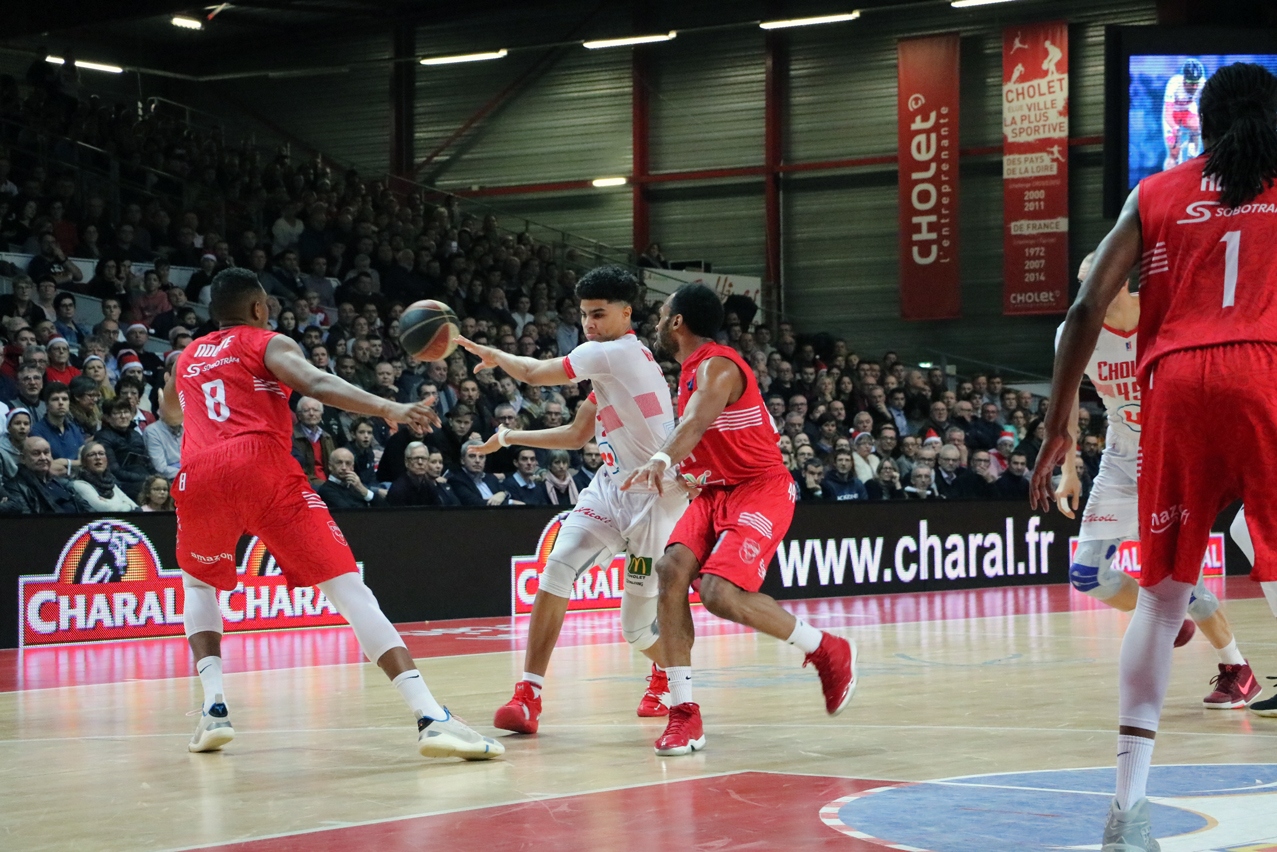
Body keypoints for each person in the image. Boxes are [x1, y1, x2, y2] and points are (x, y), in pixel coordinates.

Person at [1030, 64, 1277, 850]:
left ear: (1197, 125)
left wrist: (1057, 424)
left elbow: (1082, 306)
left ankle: (1126, 811)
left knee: (1162, 594)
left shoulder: (1155, 193)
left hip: (1174, 384)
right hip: (1265, 369)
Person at [164, 267, 500, 759]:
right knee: (347, 589)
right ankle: (430, 716)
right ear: (259, 307)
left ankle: (214, 707)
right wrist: (389, 407)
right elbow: (315, 381)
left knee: (198, 585)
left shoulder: (188, 356)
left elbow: (171, 412)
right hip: (260, 466)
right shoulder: (267, 341)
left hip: (198, 474)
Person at [622, 283, 855, 757]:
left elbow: (694, 426)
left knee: (718, 594)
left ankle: (826, 647)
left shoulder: (717, 366)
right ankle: (684, 712)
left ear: (677, 322)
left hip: (762, 488)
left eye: (662, 315)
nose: (657, 322)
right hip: (715, 491)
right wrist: (684, 471)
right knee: (669, 570)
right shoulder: (689, 371)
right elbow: (705, 442)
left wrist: (664, 461)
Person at [458, 266, 689, 733]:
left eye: (599, 314)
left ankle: (667, 671)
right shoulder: (611, 364)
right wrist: (507, 438)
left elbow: (534, 373)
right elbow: (577, 432)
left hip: (655, 498)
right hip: (611, 485)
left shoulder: (614, 354)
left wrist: (495, 354)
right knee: (558, 566)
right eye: (584, 315)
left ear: (627, 313)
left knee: (636, 629)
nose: (589, 324)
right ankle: (527, 696)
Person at [1053, 271, 1256, 712]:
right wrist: (1068, 470)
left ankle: (1236, 669)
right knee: (1088, 575)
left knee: (1177, 574)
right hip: (1121, 459)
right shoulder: (1074, 330)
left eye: (1095, 280)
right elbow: (1066, 404)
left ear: (1120, 281)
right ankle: (1173, 618)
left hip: (1173, 457)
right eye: (1082, 281)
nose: (1086, 289)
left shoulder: (1165, 310)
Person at [4, 436, 91, 513]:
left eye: (46, 452)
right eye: (36, 453)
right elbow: (28, 522)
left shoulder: (59, 481)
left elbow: (86, 507)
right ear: (22, 458)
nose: (43, 458)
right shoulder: (15, 487)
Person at [71, 441, 139, 512]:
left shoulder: (109, 483)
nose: (98, 457)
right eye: (92, 454)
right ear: (84, 462)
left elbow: (136, 507)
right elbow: (109, 509)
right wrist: (126, 505)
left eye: (101, 454)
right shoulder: (80, 484)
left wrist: (110, 503)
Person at [317, 447, 384, 510]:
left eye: (348, 463)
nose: (344, 467)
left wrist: (364, 490)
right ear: (330, 466)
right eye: (339, 463)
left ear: (352, 468)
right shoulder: (326, 490)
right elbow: (348, 513)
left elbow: (383, 508)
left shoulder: (357, 486)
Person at [386, 442, 445, 507]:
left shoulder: (430, 486)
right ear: (406, 462)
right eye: (416, 458)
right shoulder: (398, 490)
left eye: (423, 458)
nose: (420, 462)